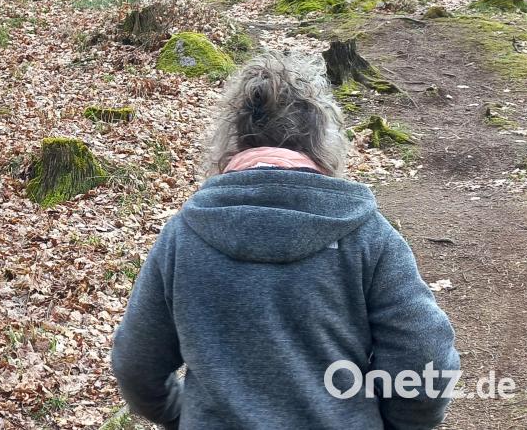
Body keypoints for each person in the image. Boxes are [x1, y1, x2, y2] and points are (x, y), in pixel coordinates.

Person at [111, 52, 460, 429]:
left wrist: (183, 416)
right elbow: (426, 361)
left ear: (232, 140)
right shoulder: (367, 234)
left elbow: (136, 363)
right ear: (322, 140)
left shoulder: (184, 236)